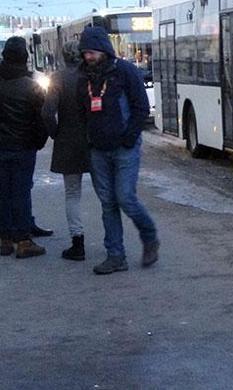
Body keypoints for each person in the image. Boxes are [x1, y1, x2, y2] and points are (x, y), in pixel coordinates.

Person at [77, 26, 160, 274]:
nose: (88, 57)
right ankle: (116, 256)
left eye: (91, 52)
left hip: (124, 148)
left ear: (103, 50)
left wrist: (129, 137)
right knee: (108, 203)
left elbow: (141, 107)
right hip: (98, 150)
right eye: (85, 53)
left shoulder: (125, 71)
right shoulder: (85, 77)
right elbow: (83, 112)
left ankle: (149, 235)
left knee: (125, 198)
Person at [0, 36, 49, 258]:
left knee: (2, 192)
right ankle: (23, 240)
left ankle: (4, 238)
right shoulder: (32, 87)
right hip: (23, 148)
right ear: (25, 58)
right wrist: (37, 143)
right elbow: (42, 120)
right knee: (21, 192)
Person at [42, 40, 89, 261]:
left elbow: (47, 112)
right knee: (106, 193)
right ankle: (114, 245)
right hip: (94, 141)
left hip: (68, 142)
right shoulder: (91, 76)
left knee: (72, 194)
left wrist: (56, 133)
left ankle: (77, 243)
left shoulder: (57, 78)